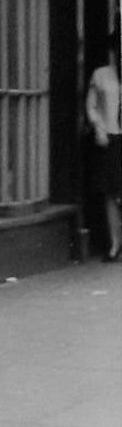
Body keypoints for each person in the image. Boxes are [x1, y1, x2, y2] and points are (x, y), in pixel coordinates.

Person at [84, 30, 121, 261]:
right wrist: (98, 127)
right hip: (112, 136)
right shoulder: (101, 75)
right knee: (111, 193)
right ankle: (115, 243)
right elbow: (91, 106)